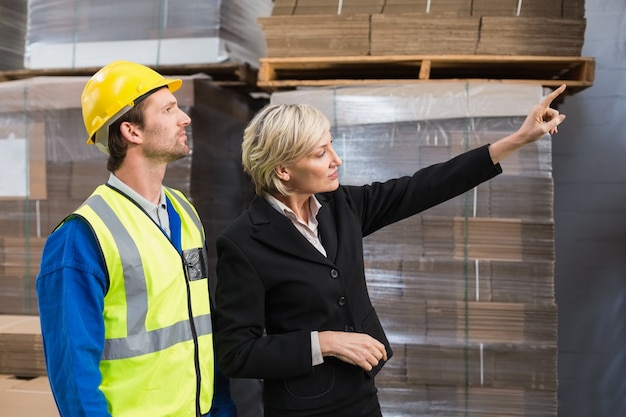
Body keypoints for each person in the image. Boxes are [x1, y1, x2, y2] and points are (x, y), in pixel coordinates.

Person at [211, 84, 567, 417]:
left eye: (330, 145)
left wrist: (519, 139)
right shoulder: (243, 243)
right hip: (303, 408)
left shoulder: (341, 206)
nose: (337, 159)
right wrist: (324, 342)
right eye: (321, 153)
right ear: (283, 169)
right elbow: (237, 354)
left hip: (362, 396)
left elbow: (424, 187)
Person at [36, 60, 237, 417]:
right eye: (168, 109)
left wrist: (221, 408)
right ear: (132, 131)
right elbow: (73, 372)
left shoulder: (184, 211)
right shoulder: (82, 236)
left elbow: (203, 327)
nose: (184, 118)